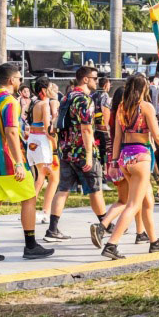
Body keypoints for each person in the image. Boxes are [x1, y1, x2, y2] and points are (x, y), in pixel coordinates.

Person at [0, 64, 53, 265]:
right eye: (19, 78)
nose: (21, 81)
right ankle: (30, 246)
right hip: (7, 161)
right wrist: (19, 163)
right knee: (29, 197)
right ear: (11, 80)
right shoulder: (10, 102)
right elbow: (11, 132)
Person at [97, 74, 159, 259]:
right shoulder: (146, 107)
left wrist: (115, 162)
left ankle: (153, 241)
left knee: (147, 201)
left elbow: (117, 137)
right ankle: (111, 244)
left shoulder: (122, 108)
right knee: (133, 204)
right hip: (141, 157)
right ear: (144, 88)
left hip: (125, 158)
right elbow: (156, 136)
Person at [47, 66, 105, 242]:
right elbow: (87, 129)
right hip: (82, 151)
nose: (97, 81)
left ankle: (52, 229)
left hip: (66, 151)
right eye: (95, 78)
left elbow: (54, 125)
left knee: (63, 189)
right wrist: (89, 154)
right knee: (95, 189)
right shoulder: (84, 100)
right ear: (85, 79)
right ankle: (106, 224)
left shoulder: (66, 97)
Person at [25, 78, 59, 210]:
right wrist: (55, 146)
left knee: (40, 176)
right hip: (41, 141)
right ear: (44, 90)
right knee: (43, 177)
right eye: (50, 87)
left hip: (33, 140)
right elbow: (47, 128)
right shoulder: (44, 105)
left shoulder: (34, 103)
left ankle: (38, 208)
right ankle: (38, 209)